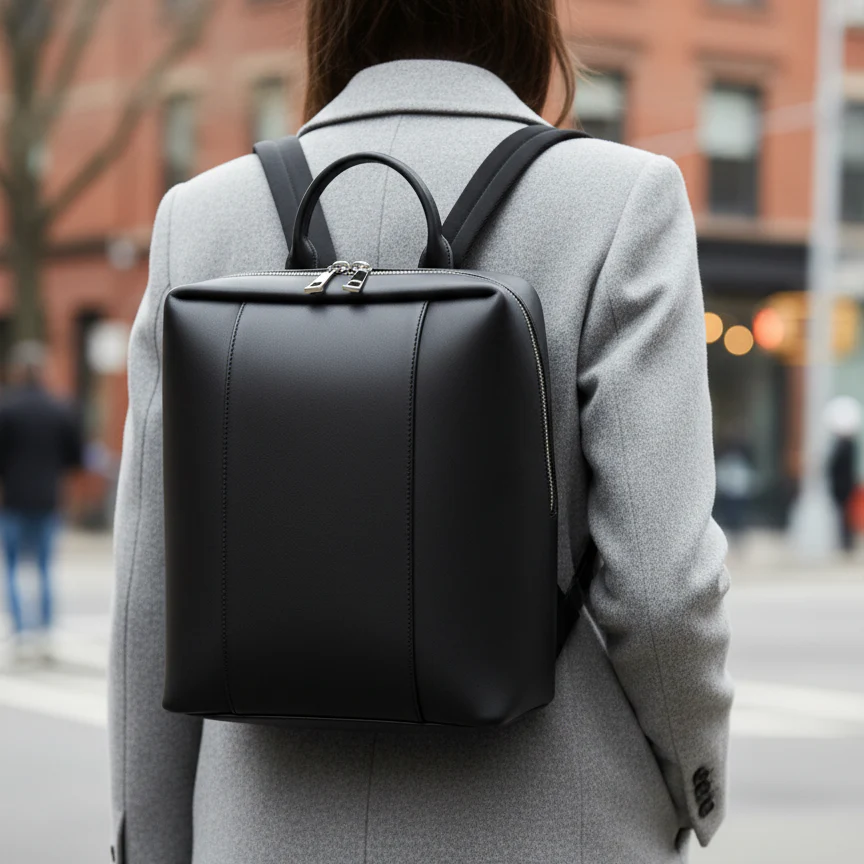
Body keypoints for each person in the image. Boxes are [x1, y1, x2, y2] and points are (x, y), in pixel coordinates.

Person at [109, 2, 733, 862]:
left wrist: (155, 843)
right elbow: (662, 588)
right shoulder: (624, 201)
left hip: (262, 834)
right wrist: (695, 779)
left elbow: (152, 592)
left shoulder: (201, 217)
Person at [0, 341, 82, 662]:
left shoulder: (6, 409)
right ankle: (46, 633)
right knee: (46, 568)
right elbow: (74, 457)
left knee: (13, 568)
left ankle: (22, 634)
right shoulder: (60, 408)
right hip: (49, 499)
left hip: (13, 500)